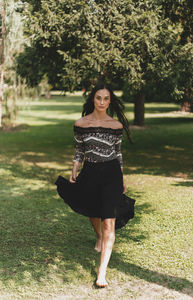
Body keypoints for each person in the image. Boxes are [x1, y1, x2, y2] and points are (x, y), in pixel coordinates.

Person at [55, 82, 135, 288]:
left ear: (110, 101)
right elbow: (80, 149)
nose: (102, 102)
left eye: (106, 98)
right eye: (98, 98)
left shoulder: (116, 126)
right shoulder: (81, 124)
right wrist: (75, 167)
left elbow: (118, 154)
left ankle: (102, 273)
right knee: (92, 210)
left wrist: (122, 178)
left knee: (109, 220)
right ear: (93, 99)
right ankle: (99, 236)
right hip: (90, 172)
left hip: (111, 174)